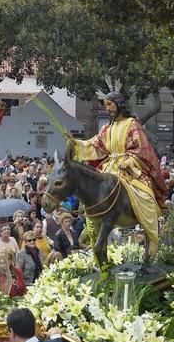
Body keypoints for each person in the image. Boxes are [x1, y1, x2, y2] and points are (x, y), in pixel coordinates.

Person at [69, 91, 168, 255]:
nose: (107, 109)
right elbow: (94, 144)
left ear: (119, 104)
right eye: (105, 105)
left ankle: (152, 237)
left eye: (109, 104)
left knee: (145, 196)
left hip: (129, 167)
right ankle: (91, 226)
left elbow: (141, 148)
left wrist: (129, 162)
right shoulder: (107, 128)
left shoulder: (132, 124)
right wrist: (76, 144)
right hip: (109, 167)